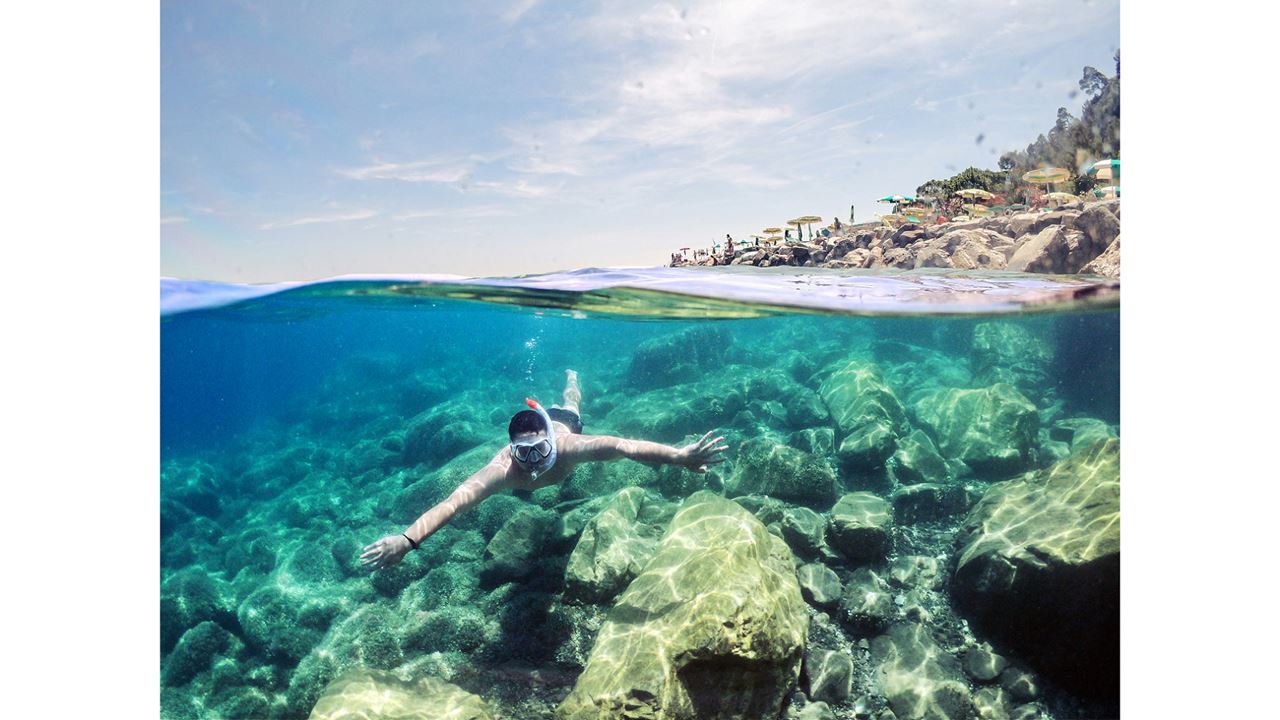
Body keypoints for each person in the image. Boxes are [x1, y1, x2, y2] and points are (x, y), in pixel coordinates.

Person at [361, 370, 729, 570]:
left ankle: (571, 380)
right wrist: (408, 540)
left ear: (550, 442)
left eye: (540, 450)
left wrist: (680, 456)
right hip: (542, 424)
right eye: (524, 452)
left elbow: (624, 446)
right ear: (511, 449)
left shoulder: (568, 447)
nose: (533, 461)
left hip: (562, 421)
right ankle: (552, 400)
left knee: (571, 404)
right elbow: (454, 503)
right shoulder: (502, 469)